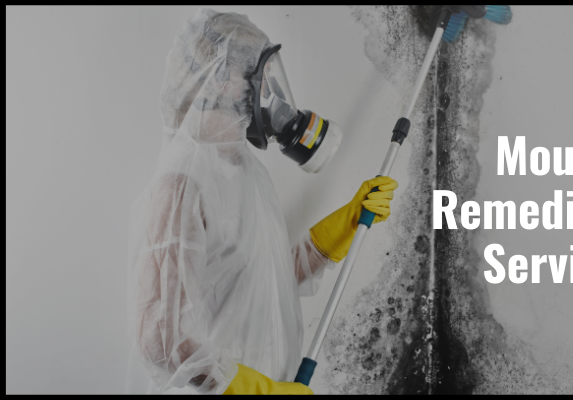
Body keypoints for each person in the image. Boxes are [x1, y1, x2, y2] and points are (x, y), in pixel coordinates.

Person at [126, 9, 399, 394]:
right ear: (220, 80)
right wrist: (254, 390)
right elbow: (159, 337)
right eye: (259, 75)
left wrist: (341, 229)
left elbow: (262, 283)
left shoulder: (245, 171)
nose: (271, 89)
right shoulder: (183, 183)